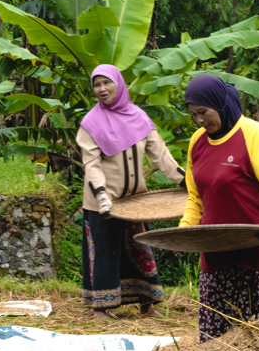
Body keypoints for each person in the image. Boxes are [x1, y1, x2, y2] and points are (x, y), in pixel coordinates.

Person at [179, 73, 259, 342]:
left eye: (203, 112)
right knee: (215, 340)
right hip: (215, 256)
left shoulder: (254, 135)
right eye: (193, 114)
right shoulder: (197, 142)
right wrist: (184, 232)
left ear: (219, 104)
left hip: (255, 253)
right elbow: (195, 199)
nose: (199, 120)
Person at [77, 64, 184, 318]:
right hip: (103, 203)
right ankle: (102, 308)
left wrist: (185, 180)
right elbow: (91, 165)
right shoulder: (90, 124)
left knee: (140, 250)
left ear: (119, 84)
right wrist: (102, 195)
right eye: (96, 84)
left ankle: (147, 303)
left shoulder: (139, 117)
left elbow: (162, 157)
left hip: (136, 201)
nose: (102, 89)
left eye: (106, 83)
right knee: (105, 251)